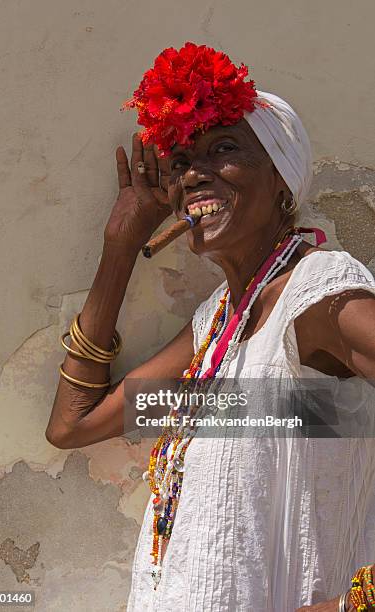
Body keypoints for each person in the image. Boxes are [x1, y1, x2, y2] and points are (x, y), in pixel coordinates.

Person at [46, 43, 375, 611]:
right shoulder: (218, 329)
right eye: (180, 164)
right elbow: (71, 426)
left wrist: (355, 602)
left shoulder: (315, 294)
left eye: (223, 150)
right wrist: (121, 246)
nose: (192, 175)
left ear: (280, 182)